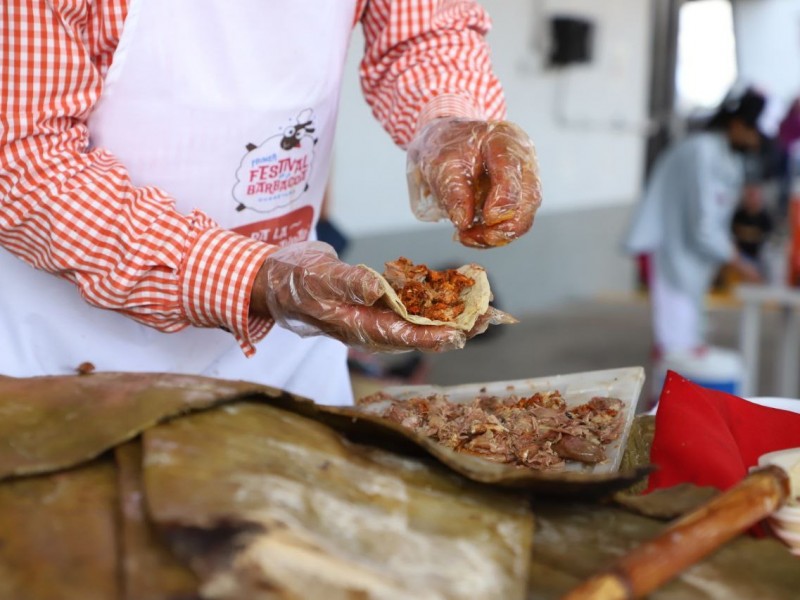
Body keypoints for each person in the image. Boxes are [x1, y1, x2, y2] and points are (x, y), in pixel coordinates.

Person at [0, 2, 541, 406]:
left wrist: (451, 117)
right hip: (69, 359)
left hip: (289, 348)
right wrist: (255, 280)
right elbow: (22, 159)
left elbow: (423, 30)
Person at [624, 87, 767, 357]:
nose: (756, 141)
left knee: (689, 339)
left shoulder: (724, 154)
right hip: (670, 253)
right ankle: (665, 396)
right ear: (737, 124)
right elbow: (703, 225)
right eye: (753, 131)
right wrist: (739, 261)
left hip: (689, 258)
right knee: (676, 345)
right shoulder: (702, 152)